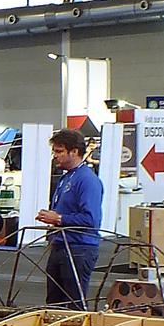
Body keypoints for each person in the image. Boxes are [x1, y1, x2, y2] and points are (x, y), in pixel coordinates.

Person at [35, 128, 103, 309]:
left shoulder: (87, 180)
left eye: (59, 151)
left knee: (74, 304)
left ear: (74, 152)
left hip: (79, 247)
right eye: (54, 151)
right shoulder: (66, 178)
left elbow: (91, 219)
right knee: (54, 303)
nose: (55, 156)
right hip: (61, 245)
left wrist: (58, 218)